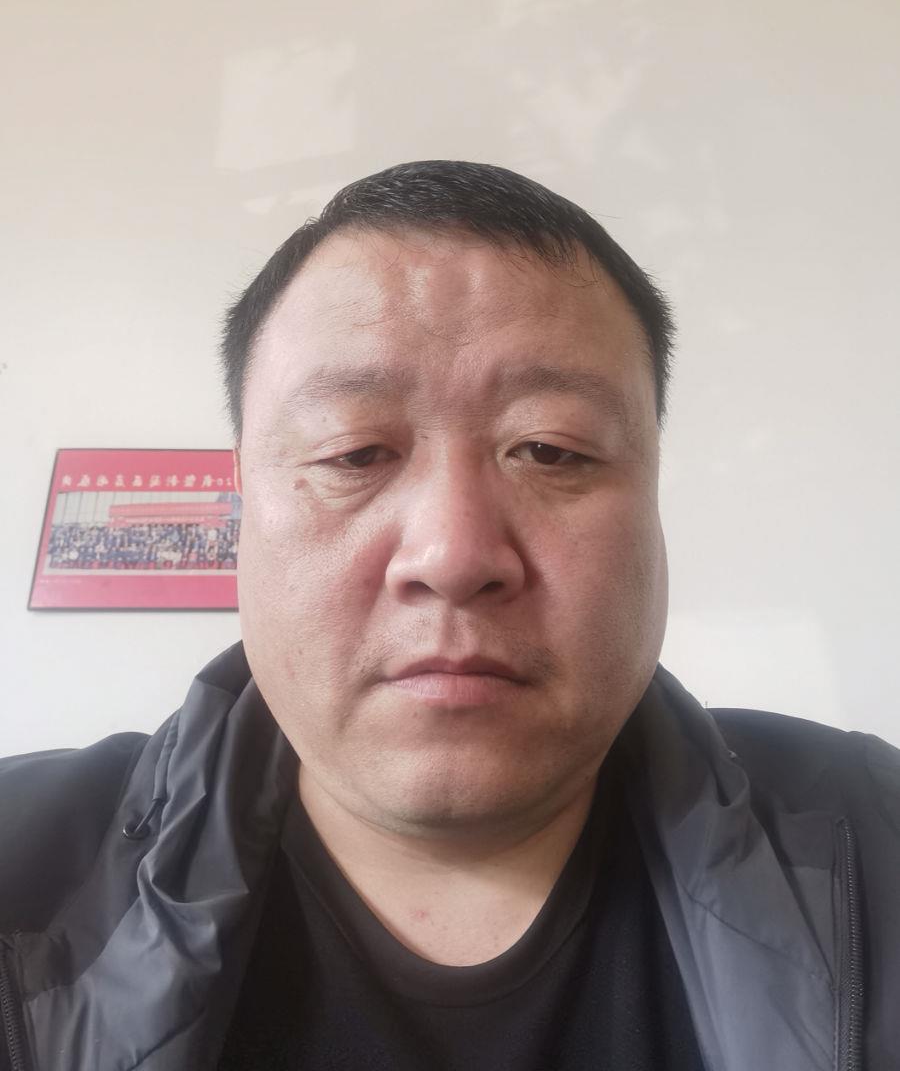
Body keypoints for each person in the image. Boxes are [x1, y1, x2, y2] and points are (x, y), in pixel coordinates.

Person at [1, 161, 898, 1071]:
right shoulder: (18, 866)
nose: (454, 555)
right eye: (354, 453)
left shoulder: (878, 842)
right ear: (242, 510)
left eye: (550, 449)